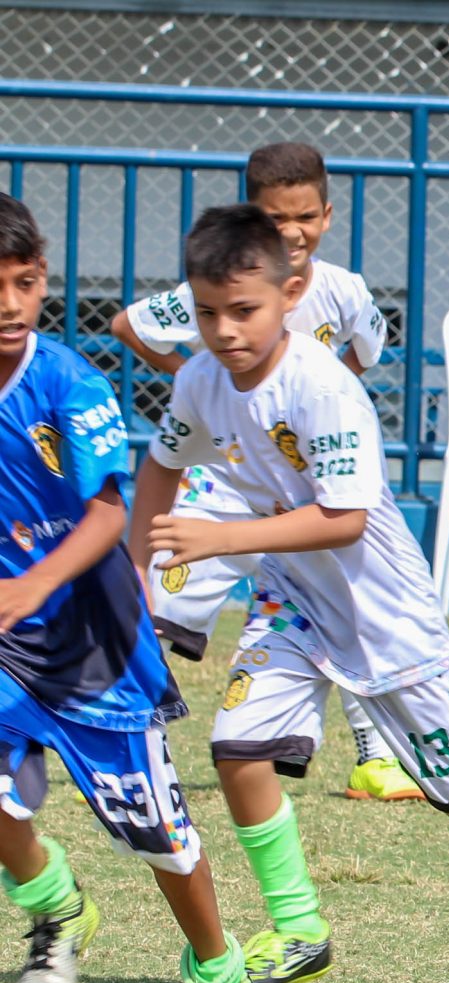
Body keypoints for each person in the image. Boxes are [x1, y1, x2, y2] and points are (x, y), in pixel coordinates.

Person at [130, 205, 449, 983]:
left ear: (292, 293)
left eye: (245, 311)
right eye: (207, 313)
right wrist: (137, 573)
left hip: (386, 615)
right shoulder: (200, 378)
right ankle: (299, 926)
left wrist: (220, 535)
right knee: (236, 747)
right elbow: (162, 464)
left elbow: (341, 519)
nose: (225, 331)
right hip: (292, 600)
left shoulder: (322, 384)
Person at [0, 194, 275, 983]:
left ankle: (221, 979)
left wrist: (33, 581)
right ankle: (54, 904)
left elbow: (106, 515)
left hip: (91, 647)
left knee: (160, 838)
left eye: (26, 282)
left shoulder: (63, 381)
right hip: (6, 643)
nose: (11, 303)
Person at [109, 141, 416, 803]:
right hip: (227, 481)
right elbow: (129, 323)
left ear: (328, 215)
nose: (293, 231)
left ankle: (375, 758)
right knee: (156, 609)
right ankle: (137, 752)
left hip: (311, 494)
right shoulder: (222, 289)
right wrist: (201, 381)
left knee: (343, 608)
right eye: (276, 218)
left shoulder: (346, 293)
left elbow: (366, 354)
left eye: (305, 216)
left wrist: (330, 410)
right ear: (253, 216)